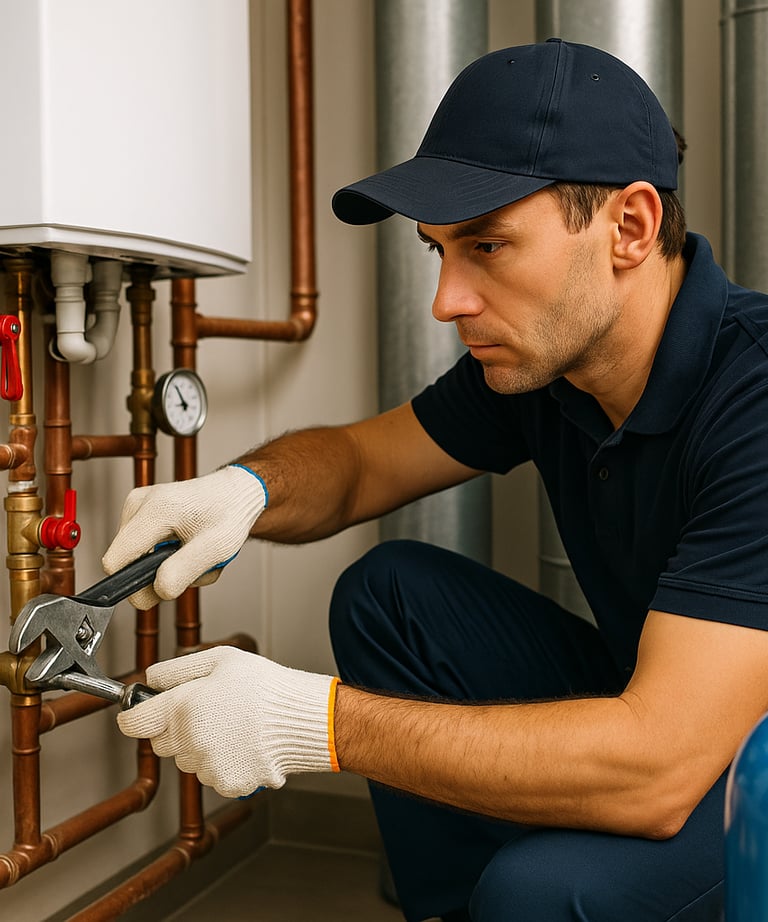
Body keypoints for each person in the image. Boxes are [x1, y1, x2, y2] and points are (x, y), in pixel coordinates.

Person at [101, 39, 768, 922]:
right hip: (671, 701)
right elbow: (363, 462)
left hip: (739, 764)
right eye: (440, 252)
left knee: (541, 894)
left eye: (489, 244)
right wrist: (241, 491)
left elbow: (659, 768)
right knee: (391, 594)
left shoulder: (752, 395)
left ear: (631, 229)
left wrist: (318, 724)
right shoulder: (553, 360)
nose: (447, 300)